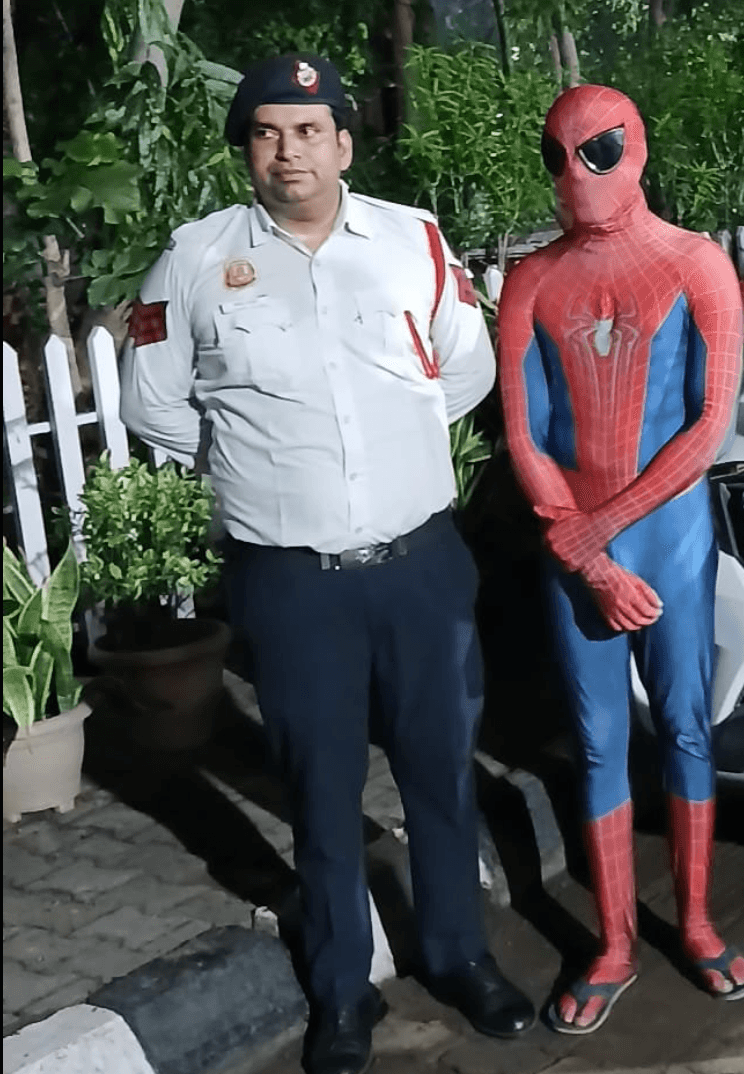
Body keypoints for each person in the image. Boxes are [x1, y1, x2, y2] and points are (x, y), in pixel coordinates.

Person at [119, 53, 535, 1074]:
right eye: (267, 131)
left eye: (309, 129)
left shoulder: (412, 242)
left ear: (344, 142)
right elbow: (152, 403)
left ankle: (455, 952)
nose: (289, 149)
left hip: (421, 565)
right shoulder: (195, 261)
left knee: (441, 772)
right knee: (319, 787)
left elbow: (464, 367)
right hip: (292, 582)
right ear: (246, 150)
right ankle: (344, 989)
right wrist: (265, 477)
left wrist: (384, 462)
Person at [497, 84, 744, 1035]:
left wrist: (588, 537)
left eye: (598, 150)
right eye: (559, 155)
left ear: (636, 150)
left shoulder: (697, 264)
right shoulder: (530, 280)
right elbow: (525, 431)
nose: (576, 176)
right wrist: (584, 550)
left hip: (662, 541)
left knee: (688, 727)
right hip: (579, 546)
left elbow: (706, 427)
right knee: (600, 741)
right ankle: (613, 941)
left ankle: (692, 919)